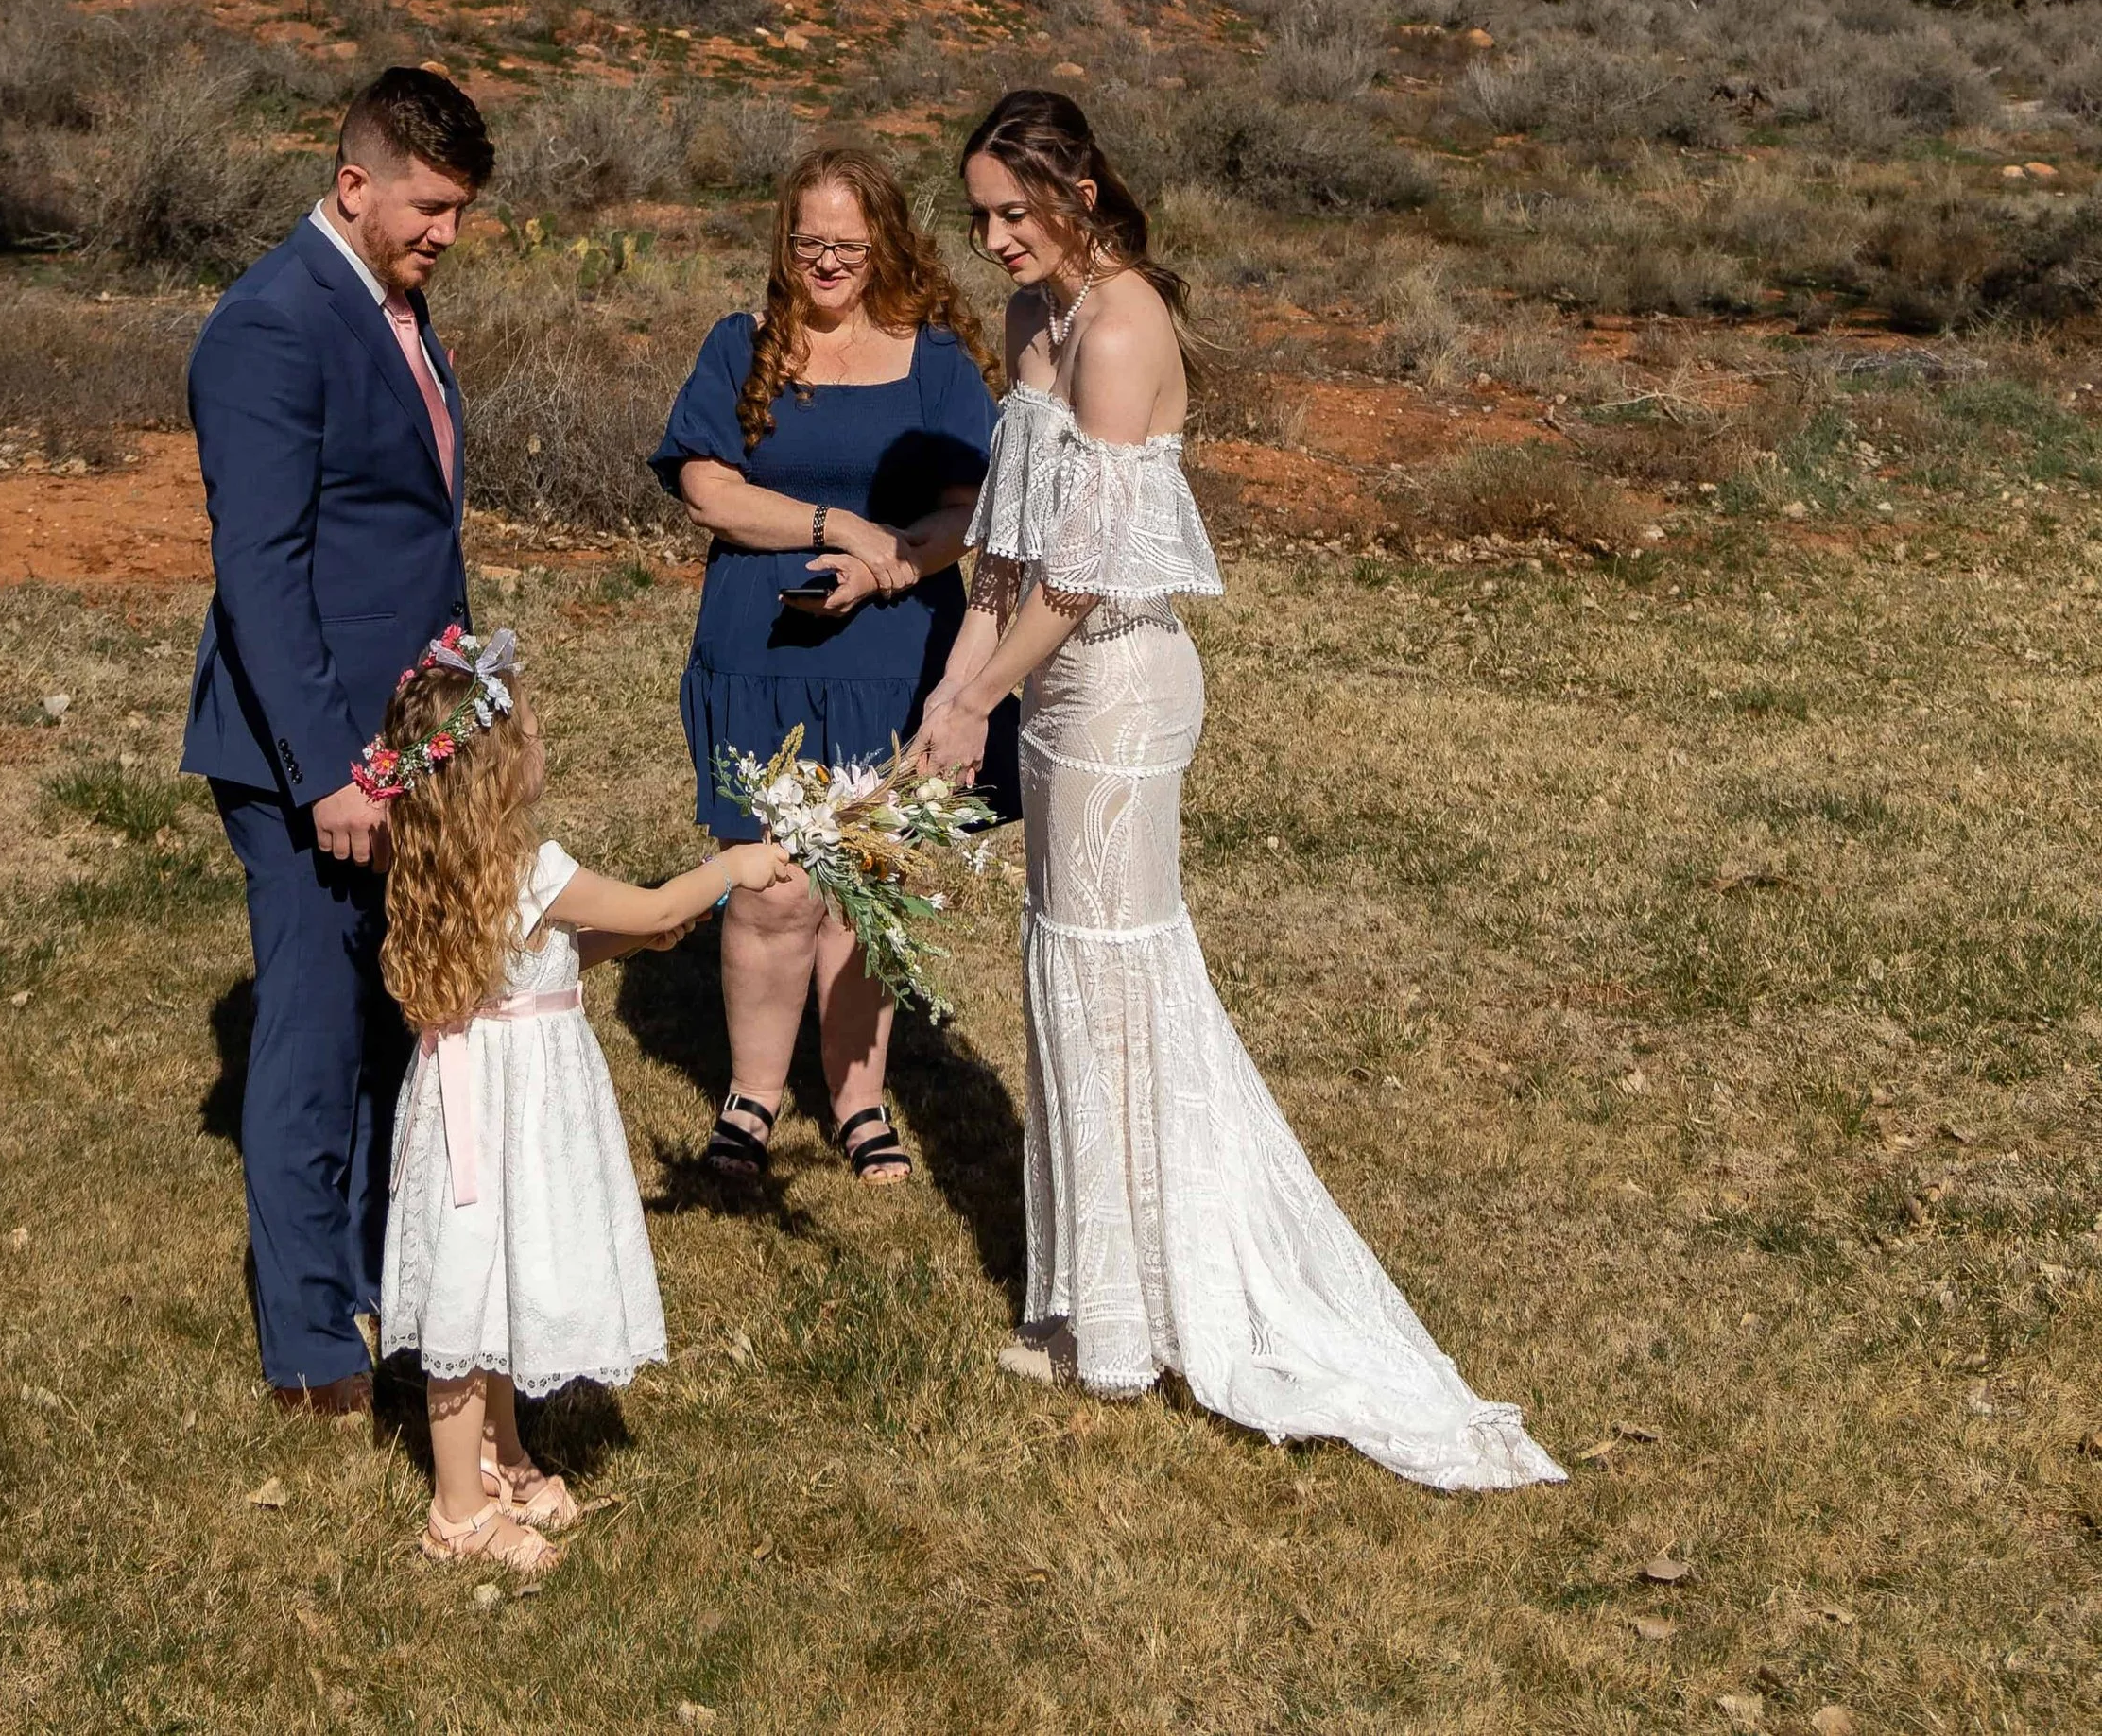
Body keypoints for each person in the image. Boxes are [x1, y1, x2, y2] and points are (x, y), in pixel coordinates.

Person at [912, 89, 1564, 1494]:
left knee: (1115, 974)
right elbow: (1011, 559)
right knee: (1064, 978)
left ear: (1079, 188)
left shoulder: (1127, 321)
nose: (995, 239)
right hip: (1046, 680)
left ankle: (1140, 1314)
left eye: (1016, 213)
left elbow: (1086, 572)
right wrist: (952, 690)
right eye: (979, 217)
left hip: (1124, 683)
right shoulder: (1033, 325)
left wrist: (977, 695)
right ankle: (1096, 1292)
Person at [182, 63, 494, 1416]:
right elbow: (262, 569)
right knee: (309, 1036)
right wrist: (330, 769)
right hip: (308, 754)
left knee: (388, 1021)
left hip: (406, 745)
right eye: (427, 207)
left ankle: (378, 1265)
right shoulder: (271, 324)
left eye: (460, 211)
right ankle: (309, 1336)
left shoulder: (394, 308)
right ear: (354, 182)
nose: (445, 233)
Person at [368, 621, 797, 1578]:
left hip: (480, 1102)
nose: (540, 748)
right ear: (492, 770)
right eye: (527, 736)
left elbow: (534, 958)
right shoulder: (534, 867)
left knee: (496, 1286)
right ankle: (457, 1512)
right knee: (464, 1304)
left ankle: (503, 1455)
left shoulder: (451, 860)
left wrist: (616, 946)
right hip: (509, 1112)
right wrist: (729, 870)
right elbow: (646, 905)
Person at [651, 143, 1000, 1190]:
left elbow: (970, 511)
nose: (828, 262)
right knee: (768, 890)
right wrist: (830, 522)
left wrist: (884, 569)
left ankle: (857, 1098)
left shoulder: (933, 359)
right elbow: (706, 488)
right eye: (810, 243)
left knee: (865, 887)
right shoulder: (739, 344)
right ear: (786, 243)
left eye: (848, 243)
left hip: (894, 657)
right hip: (759, 657)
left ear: (883, 240)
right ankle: (752, 1097)